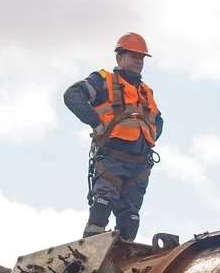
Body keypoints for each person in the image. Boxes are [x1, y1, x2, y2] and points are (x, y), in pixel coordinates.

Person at [63, 32, 164, 241]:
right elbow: (72, 95)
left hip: (139, 167)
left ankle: (121, 261)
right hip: (111, 161)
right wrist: (96, 122)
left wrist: (148, 139)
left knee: (130, 220)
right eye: (134, 56)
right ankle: (87, 257)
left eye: (141, 58)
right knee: (101, 209)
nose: (138, 61)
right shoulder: (103, 81)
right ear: (119, 58)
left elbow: (158, 120)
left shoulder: (146, 92)